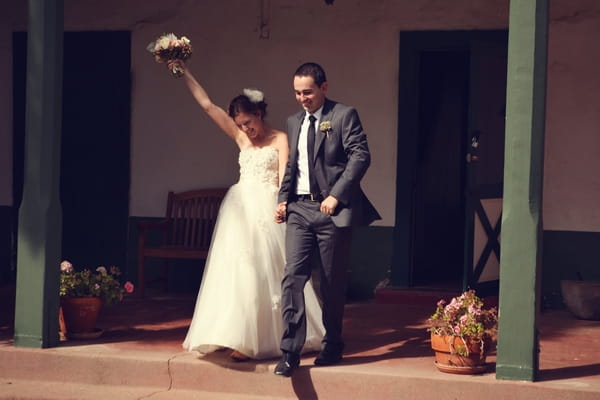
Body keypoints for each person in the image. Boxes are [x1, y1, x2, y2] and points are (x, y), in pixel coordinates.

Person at [167, 60, 325, 361]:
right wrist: (183, 70)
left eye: (248, 122)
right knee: (236, 273)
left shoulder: (280, 138)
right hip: (239, 212)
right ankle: (231, 334)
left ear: (259, 113)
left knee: (268, 272)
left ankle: (261, 338)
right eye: (239, 125)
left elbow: (286, 176)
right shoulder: (241, 138)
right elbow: (207, 105)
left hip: (268, 210)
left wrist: (283, 204)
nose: (245, 129)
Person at [274, 62, 380, 376]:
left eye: (307, 91)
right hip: (299, 211)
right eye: (297, 93)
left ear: (324, 87)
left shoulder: (343, 115)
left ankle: (332, 343)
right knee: (292, 276)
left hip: (331, 211)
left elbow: (361, 155)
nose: (302, 98)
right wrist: (283, 199)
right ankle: (290, 351)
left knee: (331, 283)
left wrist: (337, 195)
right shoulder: (293, 121)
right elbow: (292, 165)